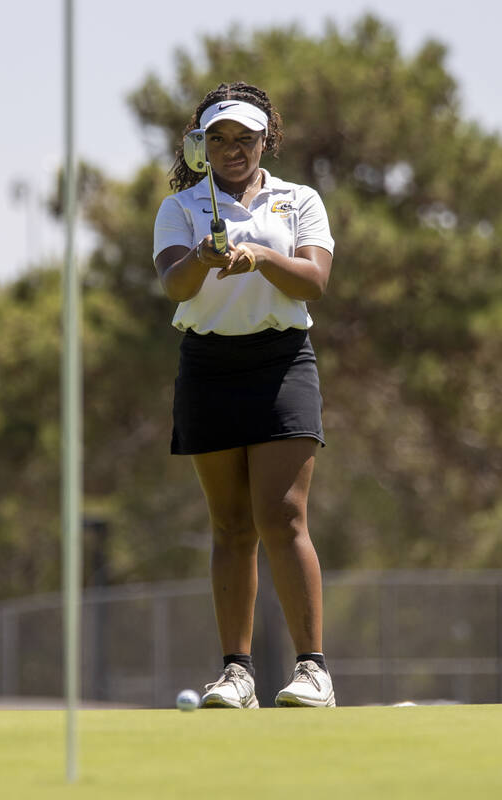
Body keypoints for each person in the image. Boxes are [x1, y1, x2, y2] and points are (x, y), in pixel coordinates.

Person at [152, 82, 336, 708]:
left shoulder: (298, 200)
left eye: (246, 138)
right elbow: (176, 286)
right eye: (220, 139)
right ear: (201, 147)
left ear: (266, 139)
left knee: (282, 516)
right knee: (230, 526)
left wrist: (257, 256)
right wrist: (205, 257)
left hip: (283, 362)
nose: (234, 149)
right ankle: (237, 673)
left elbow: (313, 281)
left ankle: (313, 669)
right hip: (208, 365)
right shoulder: (180, 208)